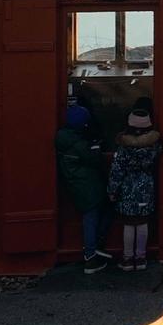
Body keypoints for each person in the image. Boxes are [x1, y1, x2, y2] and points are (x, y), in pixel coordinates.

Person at [55, 105, 112, 274]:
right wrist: (96, 150)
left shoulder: (63, 139)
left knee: (92, 215)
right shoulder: (78, 143)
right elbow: (94, 160)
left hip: (76, 184)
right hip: (87, 185)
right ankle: (91, 255)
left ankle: (94, 248)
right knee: (94, 216)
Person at [109, 101, 163, 271]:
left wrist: (112, 190)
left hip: (127, 186)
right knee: (142, 223)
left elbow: (117, 170)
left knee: (128, 223)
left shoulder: (123, 147)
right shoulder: (154, 146)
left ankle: (127, 258)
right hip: (146, 185)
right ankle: (141, 258)